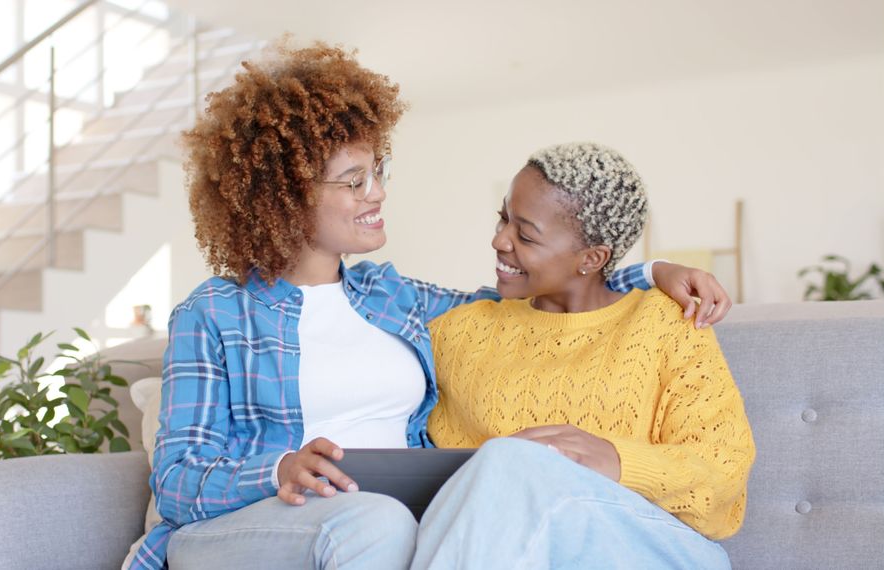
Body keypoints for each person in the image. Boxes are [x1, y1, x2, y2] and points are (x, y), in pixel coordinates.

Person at [126, 43, 731, 570]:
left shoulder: (392, 296)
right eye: (353, 180)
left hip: (392, 517)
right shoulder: (215, 314)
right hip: (256, 522)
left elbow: (526, 291)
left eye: (378, 171)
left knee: (395, 523)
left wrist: (649, 271)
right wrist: (279, 468)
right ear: (284, 198)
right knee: (377, 525)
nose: (378, 193)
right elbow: (177, 480)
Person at [416, 142, 756, 569]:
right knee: (506, 465)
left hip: (655, 548)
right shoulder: (461, 330)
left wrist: (615, 459)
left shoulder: (665, 323)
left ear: (592, 258)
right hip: (510, 547)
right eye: (503, 218)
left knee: (509, 458)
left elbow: (722, 472)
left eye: (525, 234)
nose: (499, 240)